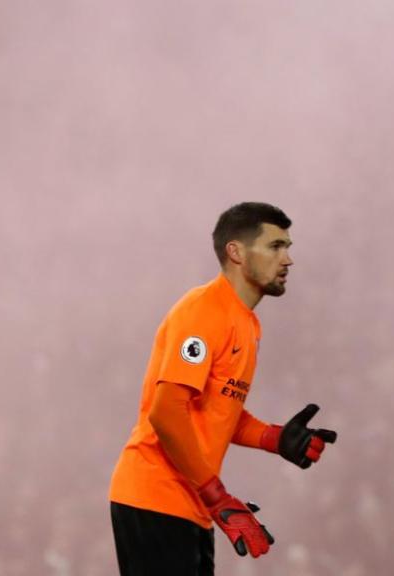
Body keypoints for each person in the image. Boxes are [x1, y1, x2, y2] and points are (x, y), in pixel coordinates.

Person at [109, 202, 338, 575]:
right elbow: (167, 413)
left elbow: (219, 409)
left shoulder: (247, 324)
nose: (288, 259)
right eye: (276, 246)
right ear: (236, 252)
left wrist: (273, 438)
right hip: (155, 497)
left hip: (189, 505)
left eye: (288, 247)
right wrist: (218, 498)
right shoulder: (203, 310)